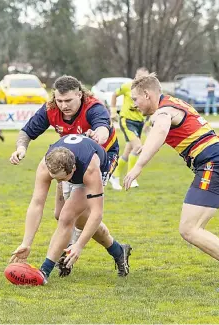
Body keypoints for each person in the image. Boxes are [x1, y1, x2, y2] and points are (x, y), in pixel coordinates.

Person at [124, 73, 219, 292]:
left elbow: (162, 128)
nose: (134, 104)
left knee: (189, 228)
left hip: (214, 165)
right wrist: (144, 146)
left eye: (136, 99)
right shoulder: (174, 103)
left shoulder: (163, 111)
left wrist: (138, 166)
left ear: (147, 94)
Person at [10, 75, 119, 273]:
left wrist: (96, 137)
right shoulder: (51, 109)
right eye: (59, 100)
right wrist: (21, 149)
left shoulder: (93, 107)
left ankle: (56, 261)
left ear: (80, 94)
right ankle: (116, 248)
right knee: (65, 215)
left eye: (68, 100)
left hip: (98, 160)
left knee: (69, 215)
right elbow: (26, 133)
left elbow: (103, 128)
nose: (63, 106)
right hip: (66, 160)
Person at [9, 134, 131, 283]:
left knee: (67, 217)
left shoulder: (90, 169)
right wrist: (26, 243)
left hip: (101, 163)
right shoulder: (46, 166)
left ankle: (44, 271)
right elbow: (36, 203)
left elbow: (97, 213)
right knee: (64, 216)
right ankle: (118, 251)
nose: (58, 182)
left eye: (61, 179)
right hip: (72, 165)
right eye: (55, 179)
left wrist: (79, 245)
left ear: (73, 169)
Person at [109, 67, 149, 190]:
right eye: (140, 77)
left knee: (128, 151)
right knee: (137, 147)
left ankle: (114, 176)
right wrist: (113, 111)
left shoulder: (146, 90)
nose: (142, 80)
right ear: (136, 77)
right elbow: (114, 95)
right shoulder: (128, 86)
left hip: (139, 122)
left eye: (145, 78)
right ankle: (131, 178)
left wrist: (148, 121)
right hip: (127, 120)